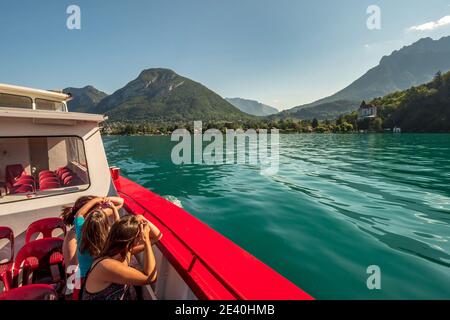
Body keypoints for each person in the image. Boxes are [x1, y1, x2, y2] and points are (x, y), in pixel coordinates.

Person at [80, 215, 162, 300]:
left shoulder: (123, 252)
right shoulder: (106, 265)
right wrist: (146, 240)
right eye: (138, 236)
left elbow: (157, 237)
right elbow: (150, 277)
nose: (140, 238)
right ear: (129, 241)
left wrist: (141, 218)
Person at [74, 196, 123, 279]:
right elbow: (117, 227)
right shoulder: (108, 240)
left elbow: (80, 213)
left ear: (87, 222)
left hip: (84, 277)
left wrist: (96, 200)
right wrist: (113, 209)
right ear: (105, 225)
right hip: (99, 278)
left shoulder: (80, 231)